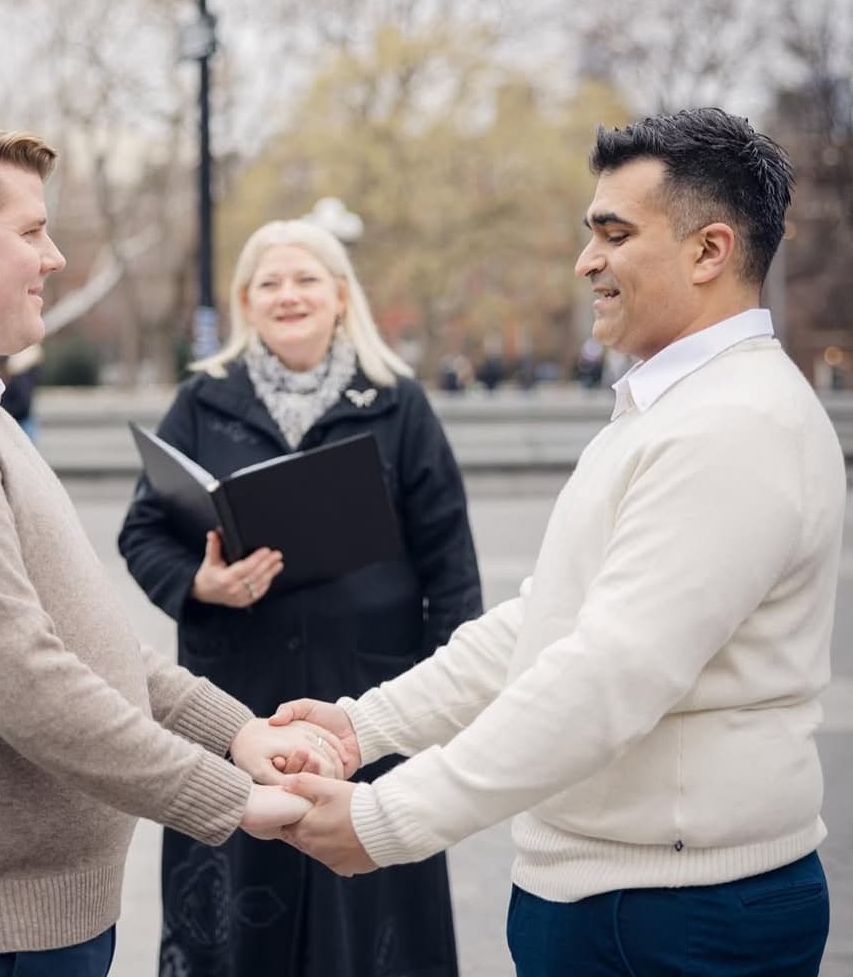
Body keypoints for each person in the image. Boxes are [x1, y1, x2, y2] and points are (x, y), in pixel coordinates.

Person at [275, 108, 846, 977]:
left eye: (614, 235)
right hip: (627, 900)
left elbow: (606, 676)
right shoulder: (678, 410)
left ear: (708, 251)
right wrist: (363, 726)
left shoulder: (734, 427)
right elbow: (545, 620)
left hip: (671, 916)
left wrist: (388, 818)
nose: (586, 262)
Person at [0, 114, 342, 977]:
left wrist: (235, 733)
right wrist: (234, 800)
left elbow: (87, 647)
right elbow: (28, 685)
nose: (53, 259)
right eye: (32, 232)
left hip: (23, 926)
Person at [118, 219, 482, 977]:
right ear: (246, 301)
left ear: (341, 296)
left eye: (306, 278)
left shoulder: (397, 405)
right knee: (238, 915)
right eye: (269, 283)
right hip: (238, 701)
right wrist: (198, 584)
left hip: (370, 702)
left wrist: (449, 705)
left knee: (372, 918)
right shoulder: (201, 401)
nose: (288, 295)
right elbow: (143, 532)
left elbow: (450, 564)